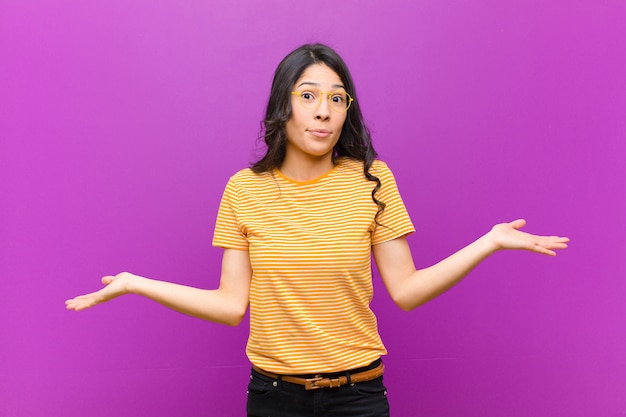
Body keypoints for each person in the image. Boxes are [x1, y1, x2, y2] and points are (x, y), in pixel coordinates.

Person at [65, 43, 569, 417]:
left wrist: (490, 242)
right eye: (308, 96)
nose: (324, 110)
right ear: (282, 106)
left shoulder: (372, 179)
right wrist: (135, 283)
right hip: (273, 398)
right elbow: (229, 305)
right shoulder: (243, 190)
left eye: (337, 98)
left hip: (360, 396)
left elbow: (408, 291)